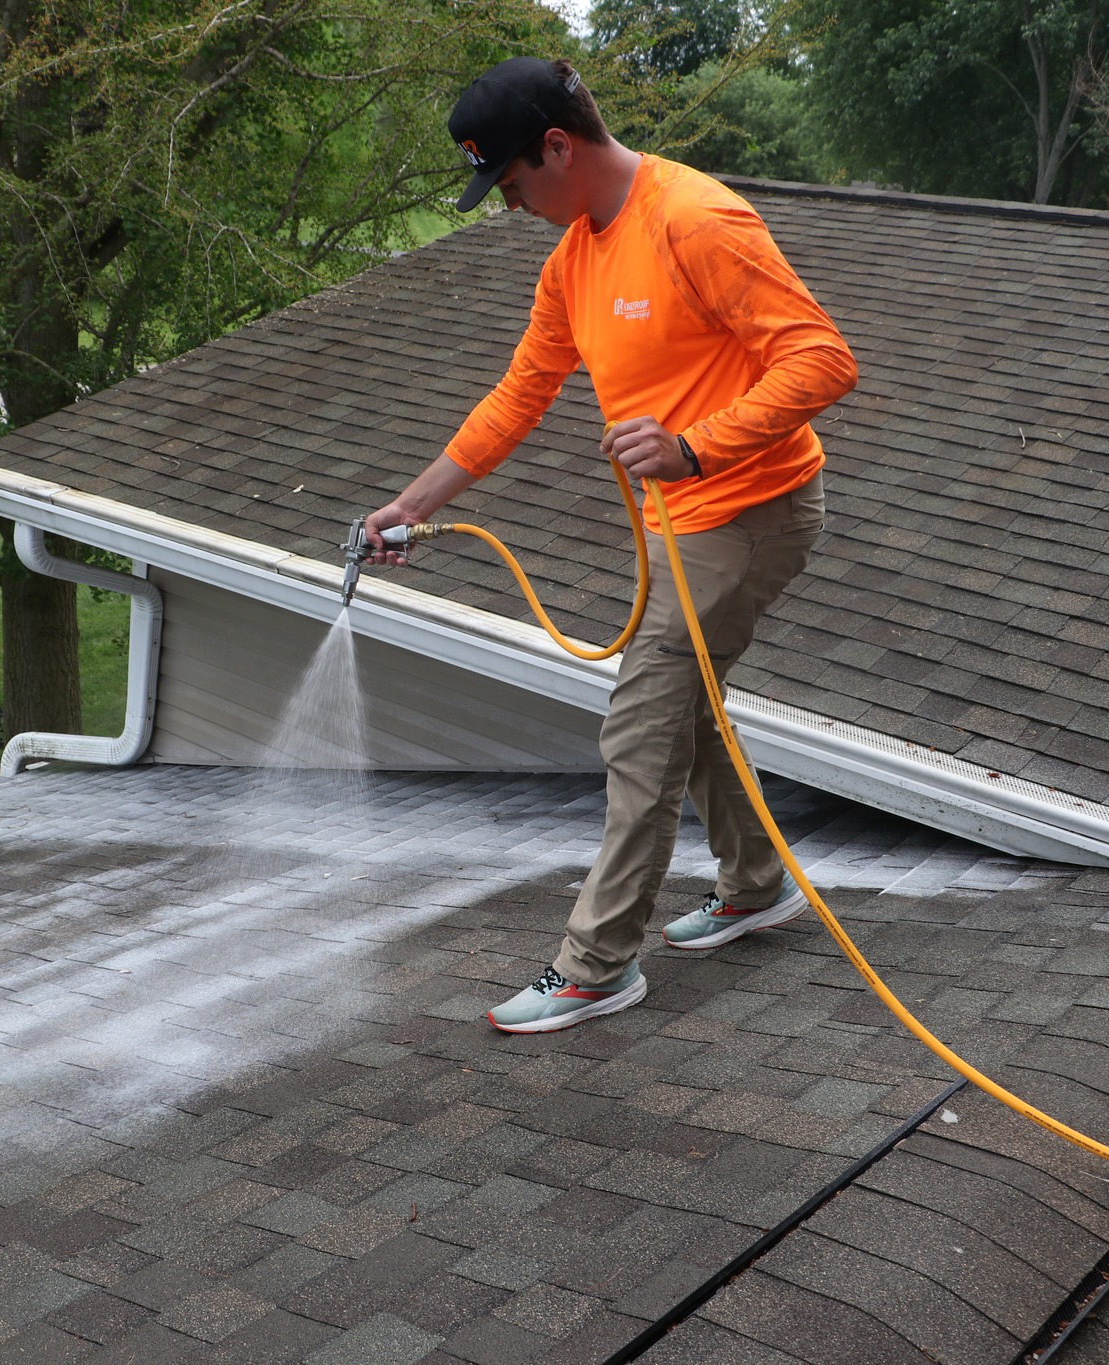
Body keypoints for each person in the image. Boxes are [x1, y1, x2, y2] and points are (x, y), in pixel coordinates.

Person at [361, 56, 859, 1034]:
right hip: (681, 526)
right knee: (686, 707)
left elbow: (821, 355)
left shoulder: (695, 221)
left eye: (509, 184)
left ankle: (596, 964)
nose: (507, 206)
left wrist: (694, 444)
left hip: (753, 514)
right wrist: (408, 505)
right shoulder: (573, 261)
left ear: (557, 147)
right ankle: (757, 882)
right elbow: (517, 396)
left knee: (641, 721)